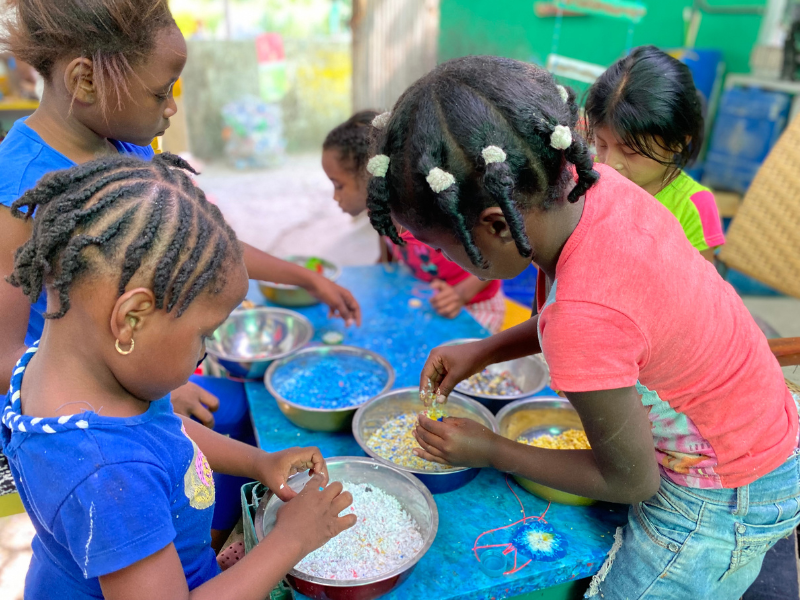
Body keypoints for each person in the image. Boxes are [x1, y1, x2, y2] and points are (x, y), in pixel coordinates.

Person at [364, 55, 799, 599]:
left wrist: (491, 449)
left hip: (726, 490)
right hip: (758, 426)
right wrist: (487, 349)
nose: (449, 260)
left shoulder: (584, 315)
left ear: (497, 225)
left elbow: (631, 480)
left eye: (447, 247)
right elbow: (611, 323)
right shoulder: (592, 188)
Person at [0, 0, 360, 533]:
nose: (170, 108)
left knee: (240, 435)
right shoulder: (21, 189)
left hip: (147, 372)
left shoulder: (125, 148)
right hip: (98, 417)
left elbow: (202, 247)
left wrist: (304, 275)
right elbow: (6, 354)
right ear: (86, 80)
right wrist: (151, 391)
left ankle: (209, 552)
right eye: (159, 91)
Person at [1, 153, 356, 600]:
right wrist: (292, 540)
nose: (204, 352)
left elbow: (162, 433)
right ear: (131, 319)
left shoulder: (73, 372)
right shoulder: (109, 473)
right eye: (202, 334)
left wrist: (257, 462)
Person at [322, 110, 506, 333]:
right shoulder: (379, 211)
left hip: (473, 304)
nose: (335, 196)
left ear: (370, 175)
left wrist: (460, 294)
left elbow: (497, 255)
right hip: (425, 296)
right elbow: (386, 257)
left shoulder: (432, 209)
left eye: (339, 185)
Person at [586, 45, 725, 262]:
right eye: (601, 145)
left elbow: (698, 292)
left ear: (678, 142)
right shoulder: (583, 177)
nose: (610, 164)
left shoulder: (693, 207)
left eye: (630, 152)